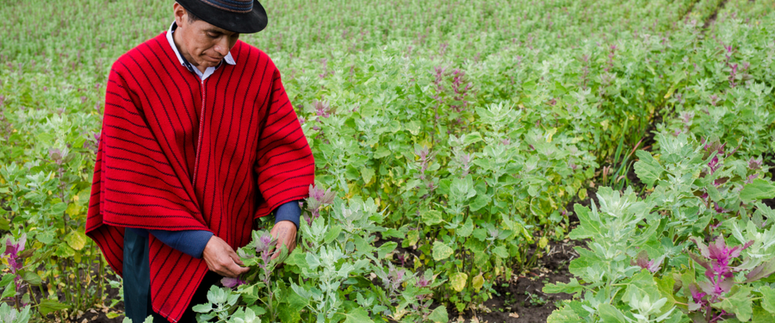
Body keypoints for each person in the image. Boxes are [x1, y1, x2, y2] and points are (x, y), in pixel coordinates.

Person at [85, 1, 315, 322]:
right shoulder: (133, 73)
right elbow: (134, 178)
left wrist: (288, 217)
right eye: (213, 33)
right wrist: (199, 241)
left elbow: (279, 148)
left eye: (234, 36)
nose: (224, 48)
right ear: (180, 15)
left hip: (235, 241)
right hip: (158, 246)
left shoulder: (258, 70)